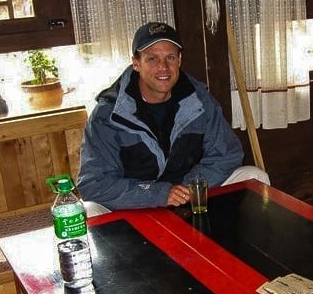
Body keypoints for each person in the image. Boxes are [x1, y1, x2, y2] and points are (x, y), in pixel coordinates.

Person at [77, 21, 269, 215]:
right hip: (133, 204)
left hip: (186, 197)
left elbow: (227, 154)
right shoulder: (107, 115)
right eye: (152, 58)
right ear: (136, 63)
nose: (163, 67)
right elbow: (94, 184)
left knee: (254, 176)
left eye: (170, 57)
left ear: (179, 60)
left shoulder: (199, 101)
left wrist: (187, 188)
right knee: (89, 209)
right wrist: (158, 194)